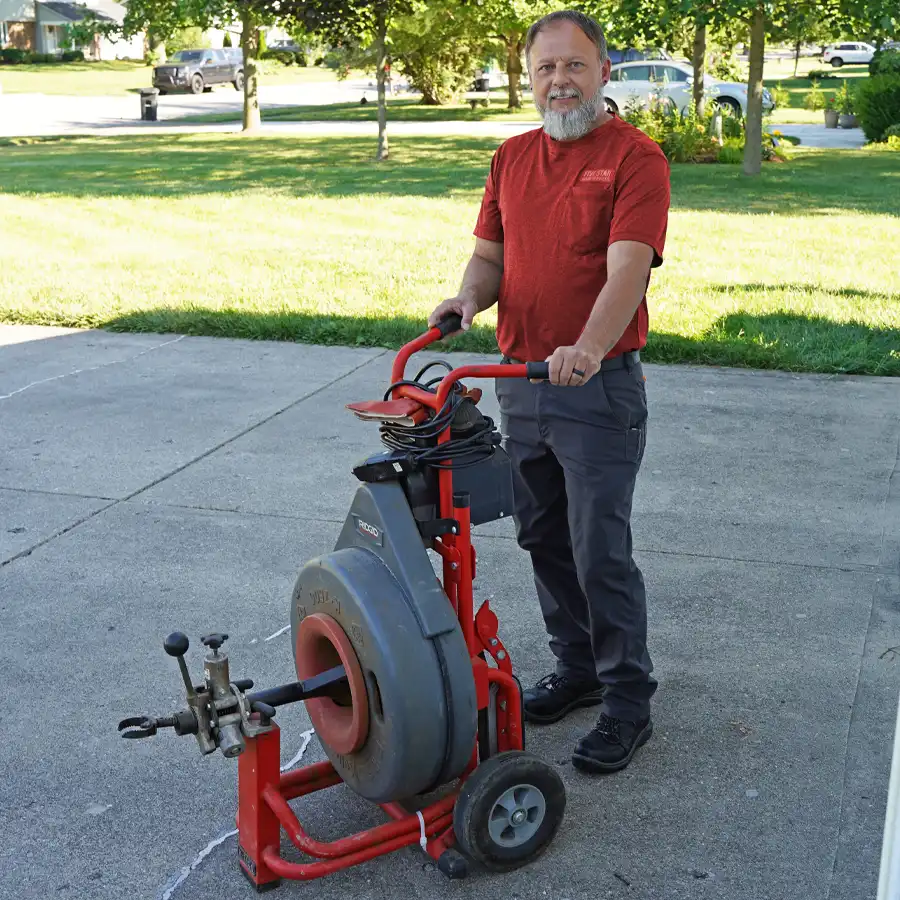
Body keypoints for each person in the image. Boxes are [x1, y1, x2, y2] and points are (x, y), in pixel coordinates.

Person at [428, 9, 670, 774]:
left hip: (596, 388)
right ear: (528, 80)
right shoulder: (510, 158)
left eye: (573, 67)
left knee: (600, 549)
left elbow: (627, 269)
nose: (558, 82)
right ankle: (579, 668)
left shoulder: (636, 158)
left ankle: (628, 700)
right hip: (520, 384)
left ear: (603, 72)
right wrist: (467, 300)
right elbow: (488, 259)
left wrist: (590, 349)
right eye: (545, 70)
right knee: (543, 537)